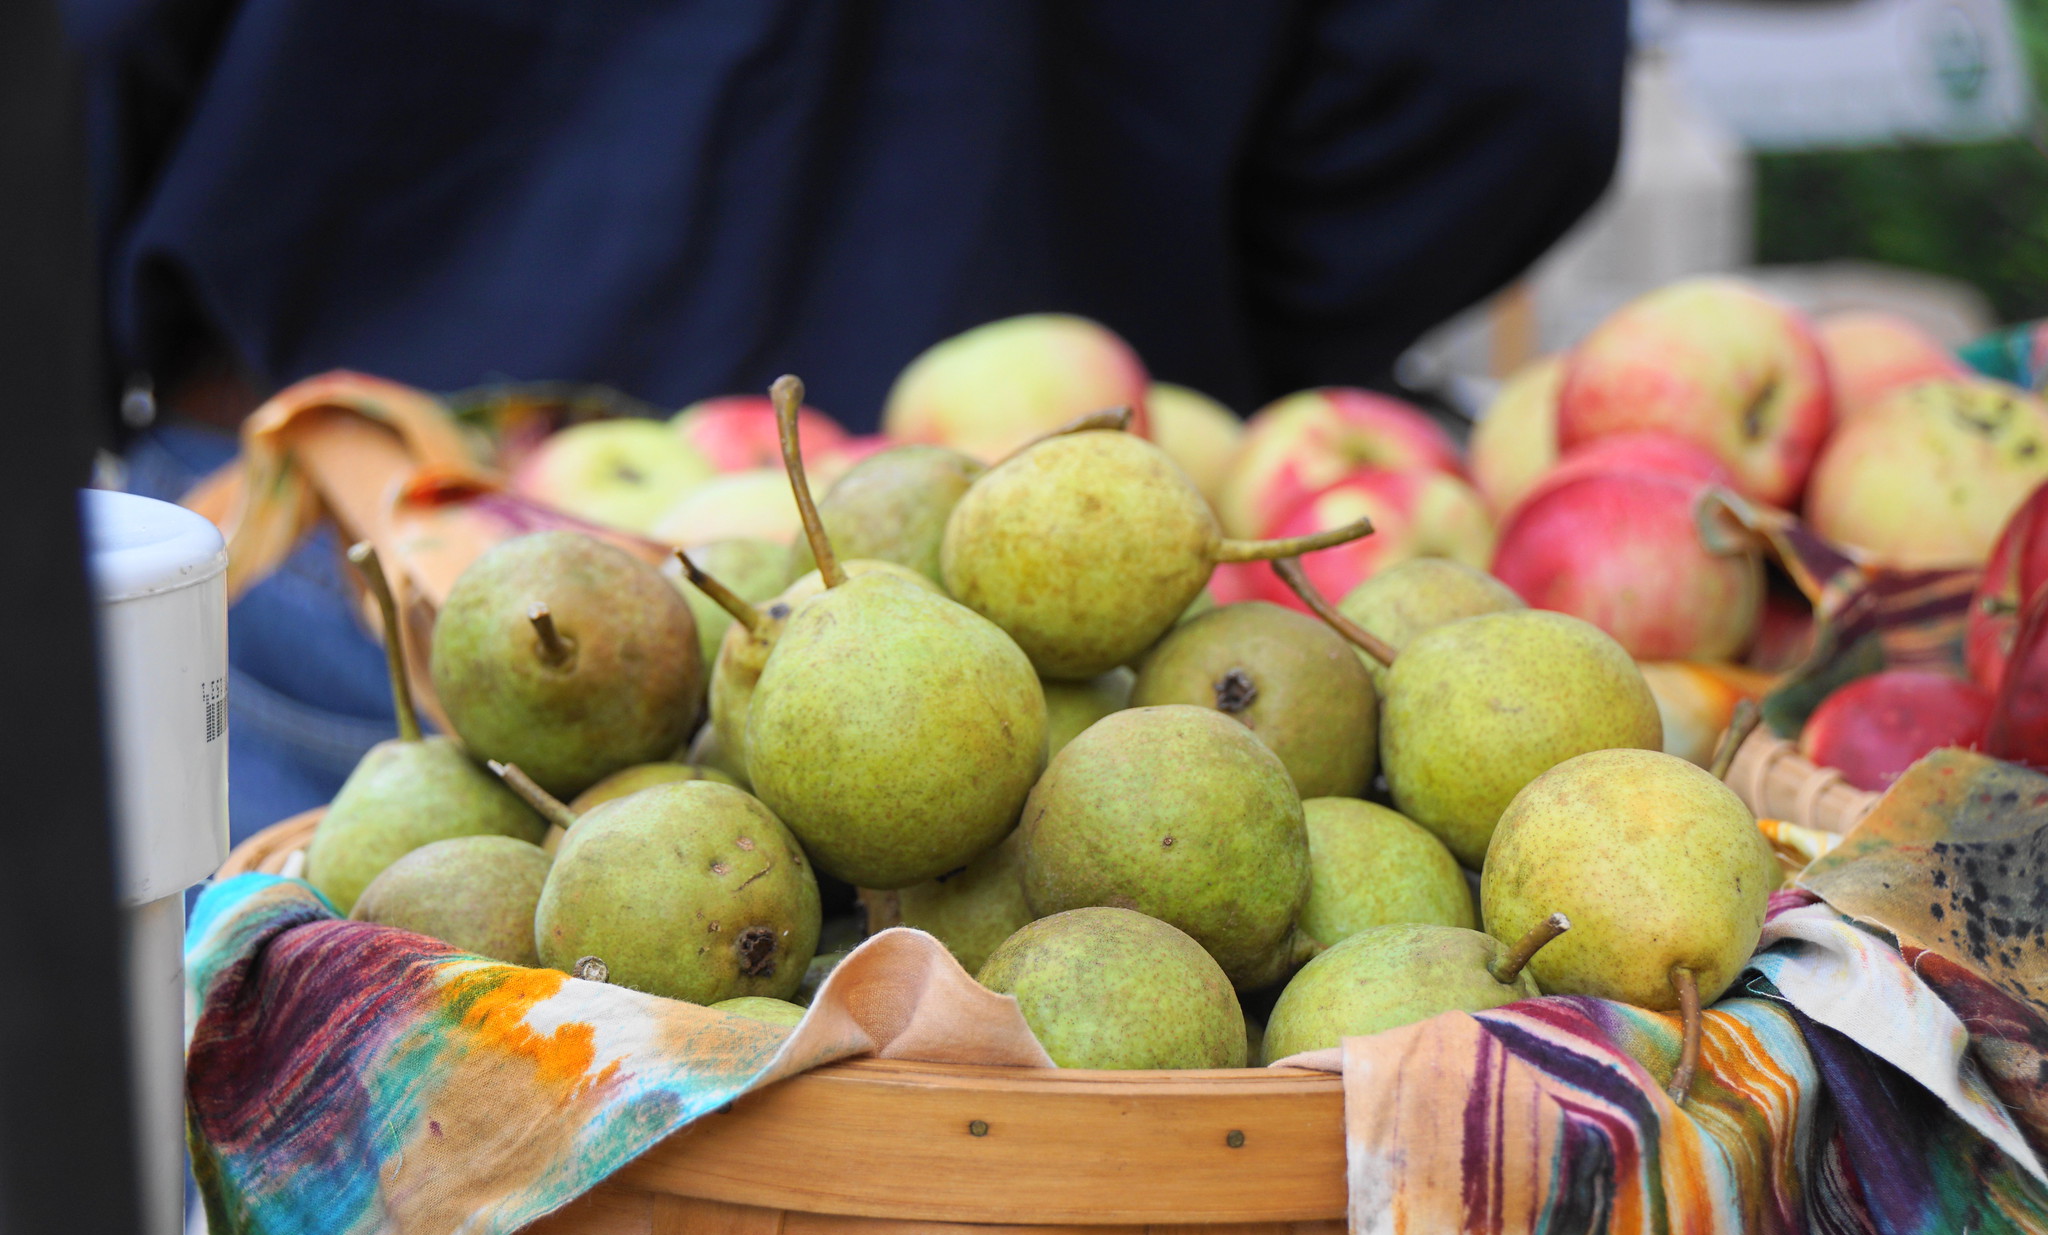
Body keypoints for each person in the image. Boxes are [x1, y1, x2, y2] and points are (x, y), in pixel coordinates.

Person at [68, 0, 1629, 840]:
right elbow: (1494, 73)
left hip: (378, 515)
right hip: (1083, 569)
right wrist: (1220, 313)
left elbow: (67, 59)